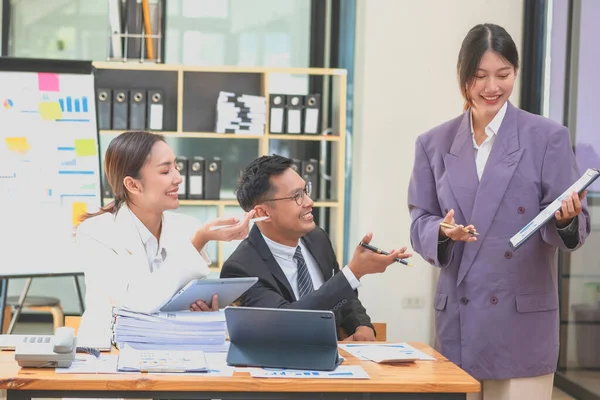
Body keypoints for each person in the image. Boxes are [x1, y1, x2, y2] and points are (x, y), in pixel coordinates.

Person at [408, 23, 590, 400]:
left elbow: (574, 223)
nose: (492, 87)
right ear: (463, 77)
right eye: (480, 76)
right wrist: (442, 232)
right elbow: (420, 218)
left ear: (516, 73)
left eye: (503, 75)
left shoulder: (547, 137)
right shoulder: (433, 143)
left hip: (522, 322)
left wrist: (567, 219)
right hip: (460, 320)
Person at [75, 131, 254, 341]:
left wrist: (202, 311)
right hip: (108, 354)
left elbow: (181, 304)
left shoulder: (187, 227)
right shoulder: (95, 232)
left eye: (176, 167)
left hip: (173, 349)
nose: (178, 178)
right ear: (133, 185)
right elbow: (138, 304)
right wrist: (198, 242)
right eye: (165, 170)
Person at [221, 155, 412, 340]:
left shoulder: (316, 238)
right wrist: (353, 273)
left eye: (305, 191)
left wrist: (361, 325)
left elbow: (341, 296)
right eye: (297, 196)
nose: (309, 202)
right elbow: (285, 322)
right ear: (263, 212)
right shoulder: (241, 269)